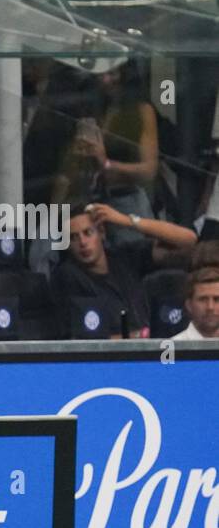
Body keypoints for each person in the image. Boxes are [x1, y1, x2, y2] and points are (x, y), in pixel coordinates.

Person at [53, 61, 159, 252]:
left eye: (112, 74)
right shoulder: (94, 110)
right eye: (101, 74)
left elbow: (149, 170)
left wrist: (107, 163)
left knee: (130, 258)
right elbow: (68, 172)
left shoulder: (141, 110)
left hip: (126, 201)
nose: (106, 80)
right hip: (92, 200)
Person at [50, 205, 152, 338]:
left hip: (154, 351)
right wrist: (140, 337)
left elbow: (186, 243)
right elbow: (83, 341)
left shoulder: (124, 257)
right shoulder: (67, 276)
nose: (82, 242)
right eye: (73, 238)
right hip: (112, 356)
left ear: (102, 232)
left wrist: (126, 220)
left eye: (88, 233)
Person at [173, 267, 219, 340]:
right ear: (189, 305)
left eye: (217, 299)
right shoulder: (172, 349)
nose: (210, 307)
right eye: (203, 299)